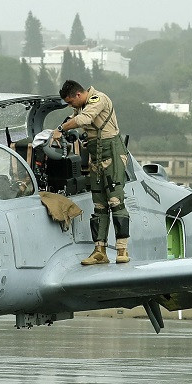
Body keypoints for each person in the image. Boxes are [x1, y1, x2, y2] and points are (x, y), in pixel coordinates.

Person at [52, 80, 131, 265]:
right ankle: (99, 251)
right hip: (95, 155)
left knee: (115, 200)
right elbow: (76, 120)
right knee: (99, 205)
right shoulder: (81, 107)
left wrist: (61, 129)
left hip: (112, 152)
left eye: (71, 102)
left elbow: (84, 120)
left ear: (78, 95)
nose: (71, 106)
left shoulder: (98, 99)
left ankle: (122, 249)